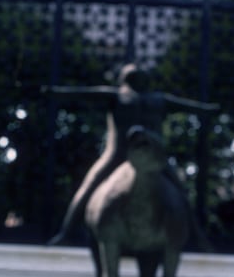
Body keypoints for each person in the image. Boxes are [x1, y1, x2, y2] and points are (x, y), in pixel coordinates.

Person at [46, 64, 219, 245]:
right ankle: (66, 231)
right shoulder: (117, 95)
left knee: (181, 193)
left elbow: (189, 106)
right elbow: (83, 93)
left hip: (152, 156)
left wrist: (207, 110)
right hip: (117, 154)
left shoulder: (158, 99)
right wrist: (56, 92)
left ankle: (198, 237)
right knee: (88, 187)